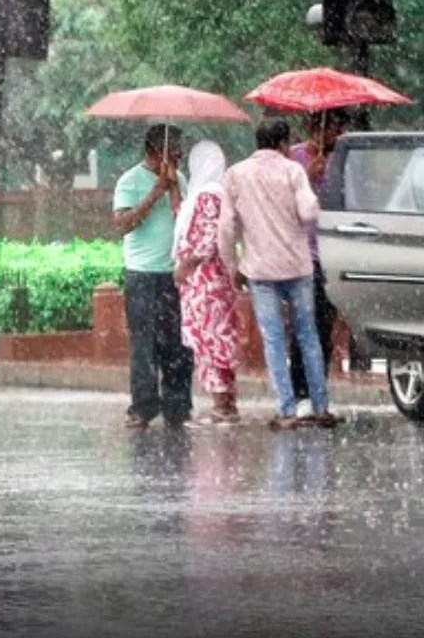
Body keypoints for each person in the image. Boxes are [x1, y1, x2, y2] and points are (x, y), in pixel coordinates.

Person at [219, 118, 341, 430]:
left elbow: (226, 229)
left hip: (260, 270)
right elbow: (309, 213)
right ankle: (320, 406)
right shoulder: (293, 170)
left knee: (274, 340)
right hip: (298, 267)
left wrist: (233, 267)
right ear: (284, 143)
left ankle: (286, 410)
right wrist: (310, 189)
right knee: (308, 335)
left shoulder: (235, 174)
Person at [113, 124, 193, 429]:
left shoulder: (180, 179)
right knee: (144, 343)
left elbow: (183, 218)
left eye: (180, 152)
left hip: (172, 273)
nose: (178, 157)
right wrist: (156, 190)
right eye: (173, 152)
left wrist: (173, 187)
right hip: (142, 274)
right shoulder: (130, 181)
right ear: (153, 152)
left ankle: (178, 405)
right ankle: (143, 406)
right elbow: (122, 224)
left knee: (177, 344)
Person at [172, 140, 239, 425]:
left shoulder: (208, 196)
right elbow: (186, 220)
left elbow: (208, 239)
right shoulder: (209, 195)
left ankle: (222, 405)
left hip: (205, 281)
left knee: (210, 341)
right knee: (217, 338)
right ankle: (225, 403)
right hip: (213, 280)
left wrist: (187, 265)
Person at [287, 109, 349, 404]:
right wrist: (308, 179)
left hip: (332, 251)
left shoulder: (342, 160)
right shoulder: (292, 159)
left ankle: (317, 390)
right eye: (333, 127)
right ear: (315, 127)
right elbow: (280, 202)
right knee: (302, 324)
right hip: (301, 253)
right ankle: (299, 391)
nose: (337, 133)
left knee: (324, 325)